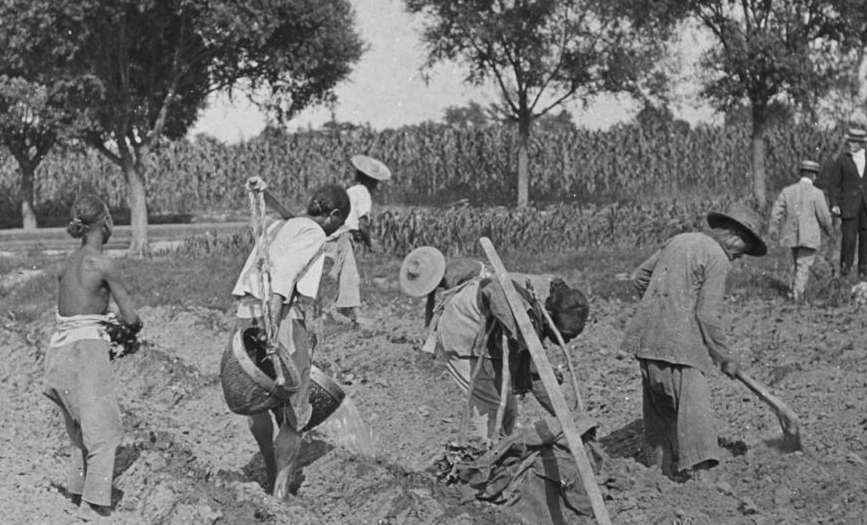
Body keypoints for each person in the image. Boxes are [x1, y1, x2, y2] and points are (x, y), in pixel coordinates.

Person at [621, 202, 766, 479]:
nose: (740, 257)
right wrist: (724, 356)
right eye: (743, 250)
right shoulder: (718, 257)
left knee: (659, 416)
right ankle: (704, 486)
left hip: (648, 343)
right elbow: (707, 315)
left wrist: (663, 310)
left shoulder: (679, 240)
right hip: (682, 350)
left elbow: (640, 278)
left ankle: (659, 480)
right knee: (696, 418)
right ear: (736, 235)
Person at [399, 246, 590, 443]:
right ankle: (487, 453)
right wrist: (567, 420)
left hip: (486, 328)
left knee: (508, 408)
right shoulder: (526, 316)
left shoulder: (553, 294)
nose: (565, 342)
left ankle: (503, 449)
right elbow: (535, 376)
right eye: (565, 335)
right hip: (461, 332)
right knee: (491, 408)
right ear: (549, 315)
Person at [230, 183, 350, 495]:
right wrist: (272, 326)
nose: (335, 232)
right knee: (297, 408)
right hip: (280, 314)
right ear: (334, 215)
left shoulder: (278, 225)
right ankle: (281, 489)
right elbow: (284, 275)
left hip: (246, 311)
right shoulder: (313, 233)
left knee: (255, 394)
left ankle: (270, 469)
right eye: (338, 225)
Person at [42, 192, 141, 514]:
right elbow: (131, 317)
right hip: (85, 350)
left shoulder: (68, 263)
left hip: (59, 351)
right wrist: (130, 331)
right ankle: (94, 505)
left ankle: (76, 492)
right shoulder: (102, 264)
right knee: (106, 430)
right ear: (106, 222)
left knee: (80, 430)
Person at [324, 153, 392, 325]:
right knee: (349, 274)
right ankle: (356, 314)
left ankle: (341, 312)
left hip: (335, 234)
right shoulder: (363, 193)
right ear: (371, 181)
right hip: (343, 235)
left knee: (339, 274)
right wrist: (370, 242)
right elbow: (362, 223)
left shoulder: (352, 190)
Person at [823, 114, 867, 279]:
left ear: (861, 144)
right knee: (848, 241)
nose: (850, 144)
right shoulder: (842, 160)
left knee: (866, 241)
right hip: (849, 207)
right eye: (849, 141)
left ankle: (864, 272)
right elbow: (833, 185)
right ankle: (845, 272)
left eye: (854, 142)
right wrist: (834, 204)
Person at [767, 158, 834, 301]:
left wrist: (773, 228)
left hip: (792, 234)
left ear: (801, 173)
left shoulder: (788, 191)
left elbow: (776, 211)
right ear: (814, 175)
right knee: (804, 265)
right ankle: (797, 295)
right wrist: (829, 230)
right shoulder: (817, 193)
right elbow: (824, 216)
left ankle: (794, 290)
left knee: (797, 263)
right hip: (809, 236)